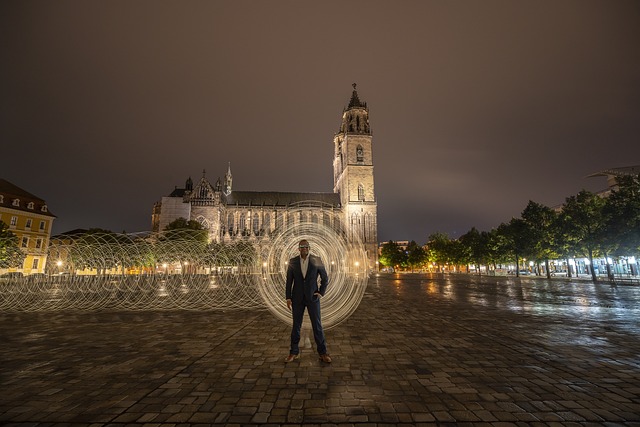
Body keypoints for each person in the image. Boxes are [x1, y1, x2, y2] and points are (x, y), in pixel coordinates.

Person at [285, 239, 332, 363]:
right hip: (297, 298)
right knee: (296, 326)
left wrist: (321, 292)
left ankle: (323, 353)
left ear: (309, 248)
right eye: (301, 246)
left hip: (313, 298)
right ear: (298, 248)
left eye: (306, 246)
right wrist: (288, 297)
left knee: (317, 326)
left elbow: (325, 278)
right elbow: (289, 281)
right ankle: (293, 352)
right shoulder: (293, 261)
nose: (304, 248)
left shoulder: (316, 260)